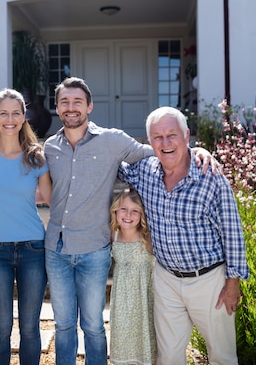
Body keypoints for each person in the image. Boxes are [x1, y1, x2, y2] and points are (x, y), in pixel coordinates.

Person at [43, 77, 217, 365]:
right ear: (57, 107)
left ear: (89, 106)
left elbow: (158, 154)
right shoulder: (50, 147)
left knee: (93, 325)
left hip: (94, 250)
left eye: (77, 102)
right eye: (64, 102)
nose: (70, 107)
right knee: (62, 326)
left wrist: (194, 151)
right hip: (56, 249)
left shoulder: (112, 140)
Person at [118, 107, 249, 365]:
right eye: (157, 137)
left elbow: (233, 231)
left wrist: (233, 282)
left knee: (222, 356)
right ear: (149, 141)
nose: (165, 143)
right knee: (167, 357)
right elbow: (110, 164)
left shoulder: (211, 177)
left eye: (172, 135)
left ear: (186, 136)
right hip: (166, 280)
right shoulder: (144, 171)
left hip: (210, 282)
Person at [0, 88, 52, 365]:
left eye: (16, 113)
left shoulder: (37, 158)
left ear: (24, 117)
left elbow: (51, 199)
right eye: (3, 113)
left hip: (33, 248)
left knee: (29, 327)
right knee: (1, 327)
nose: (9, 118)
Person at [108, 188, 156, 365]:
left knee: (147, 337)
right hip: (122, 300)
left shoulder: (147, 237)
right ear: (115, 210)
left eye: (135, 210)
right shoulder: (112, 234)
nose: (128, 215)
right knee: (124, 337)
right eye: (124, 209)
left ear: (142, 214)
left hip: (145, 297)